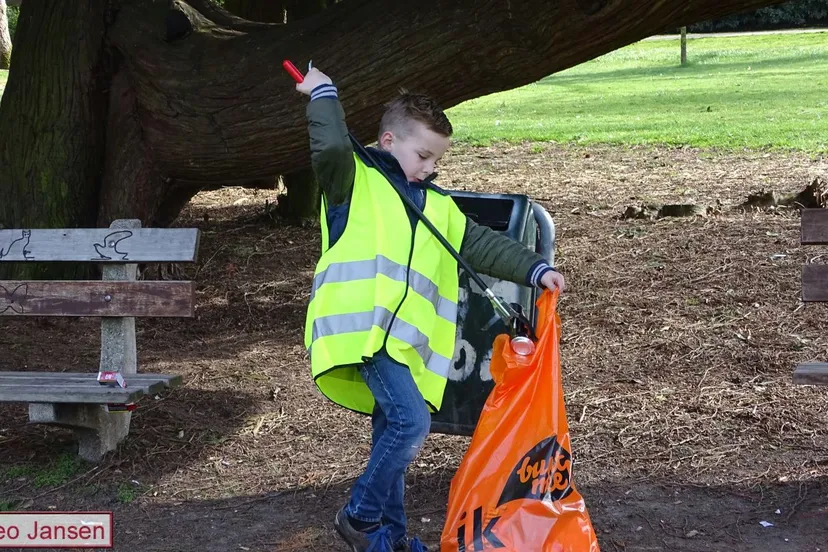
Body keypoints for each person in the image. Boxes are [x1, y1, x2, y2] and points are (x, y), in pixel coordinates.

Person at [295, 67, 565, 552]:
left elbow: (481, 244)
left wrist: (534, 270)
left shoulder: (437, 206)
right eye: (421, 155)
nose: (427, 168)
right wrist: (323, 95)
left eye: (435, 159)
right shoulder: (352, 180)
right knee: (410, 423)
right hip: (364, 335)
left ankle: (390, 542)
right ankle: (358, 516)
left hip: (405, 346)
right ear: (387, 139)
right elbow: (332, 146)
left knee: (390, 434)